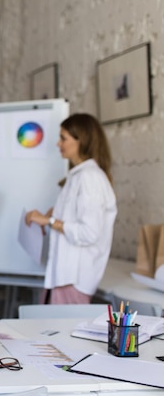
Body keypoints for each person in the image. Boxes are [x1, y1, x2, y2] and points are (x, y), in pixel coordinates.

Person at [25, 113, 117, 304]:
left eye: (63, 138)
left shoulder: (89, 178)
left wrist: (50, 221)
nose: (58, 144)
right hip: (63, 276)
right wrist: (50, 215)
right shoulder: (78, 176)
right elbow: (74, 213)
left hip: (74, 278)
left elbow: (89, 232)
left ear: (80, 140)